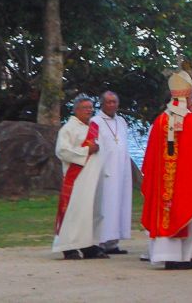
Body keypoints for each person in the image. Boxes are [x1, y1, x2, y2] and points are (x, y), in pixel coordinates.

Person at [141, 69, 192, 270]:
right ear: (189, 95)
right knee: (191, 211)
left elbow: (150, 154)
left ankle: (169, 256)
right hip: (186, 180)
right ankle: (189, 255)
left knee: (167, 210)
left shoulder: (160, 121)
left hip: (165, 183)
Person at [53, 95, 107, 259]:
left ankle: (89, 245)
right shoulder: (68, 129)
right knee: (75, 211)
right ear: (76, 110)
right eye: (85, 108)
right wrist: (85, 151)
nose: (89, 111)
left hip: (94, 176)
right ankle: (68, 246)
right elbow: (62, 151)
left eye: (91, 108)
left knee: (92, 211)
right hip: (77, 178)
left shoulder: (94, 127)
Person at [91, 91, 132, 255]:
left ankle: (113, 242)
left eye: (114, 102)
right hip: (106, 170)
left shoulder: (121, 121)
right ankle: (101, 240)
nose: (112, 105)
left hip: (121, 169)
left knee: (120, 204)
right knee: (106, 206)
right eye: (108, 102)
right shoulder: (95, 121)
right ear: (102, 104)